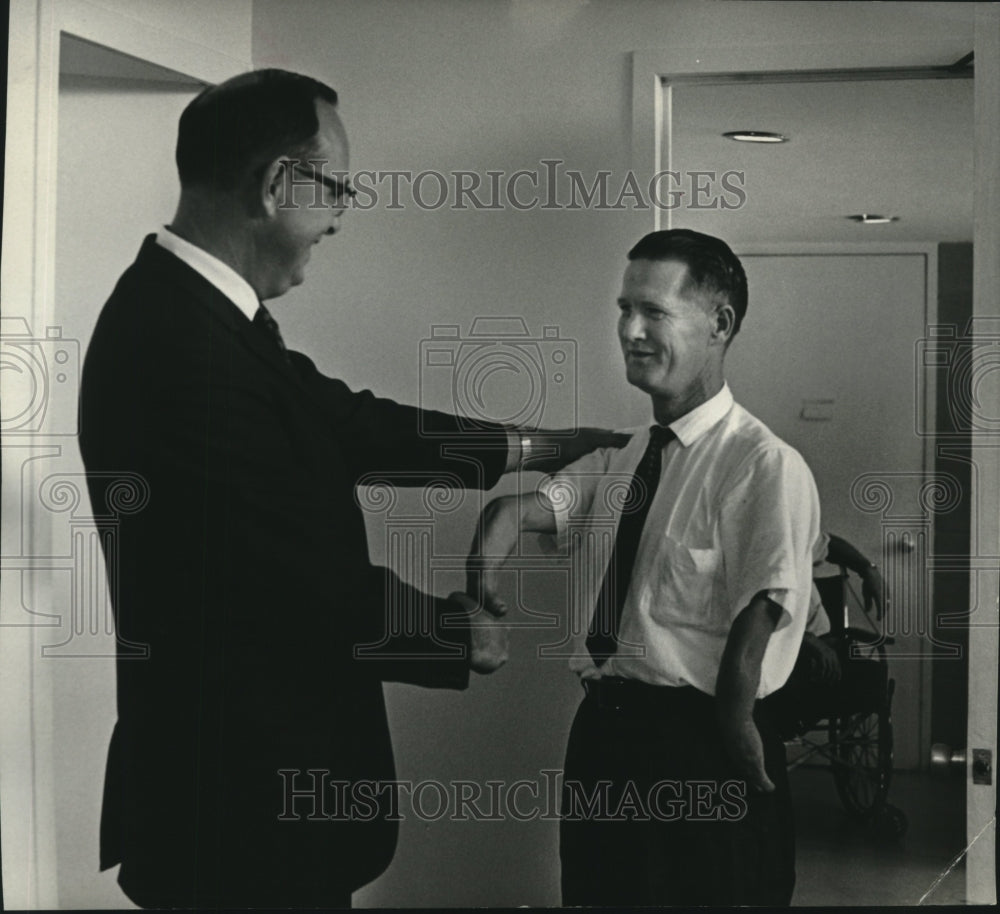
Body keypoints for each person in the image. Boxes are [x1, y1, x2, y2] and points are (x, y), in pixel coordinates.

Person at [78, 69, 624, 909]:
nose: (339, 217)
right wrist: (454, 635)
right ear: (275, 185)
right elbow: (290, 585)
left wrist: (527, 447)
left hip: (247, 803)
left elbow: (343, 421)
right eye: (336, 187)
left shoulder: (194, 310)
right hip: (241, 816)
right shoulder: (178, 347)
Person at [468, 228, 822, 906]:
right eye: (624, 310)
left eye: (653, 312)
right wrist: (485, 565)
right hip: (605, 737)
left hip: (701, 744)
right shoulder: (623, 458)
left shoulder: (762, 464)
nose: (630, 330)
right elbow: (516, 513)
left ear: (719, 324)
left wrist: (734, 726)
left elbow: (767, 605)